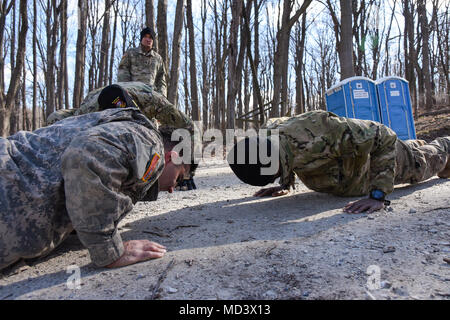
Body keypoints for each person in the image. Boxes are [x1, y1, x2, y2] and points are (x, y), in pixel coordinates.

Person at [0, 89, 191, 271]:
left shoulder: (113, 124)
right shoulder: (150, 142)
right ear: (171, 157)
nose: (173, 189)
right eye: (179, 177)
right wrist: (109, 249)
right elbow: (85, 152)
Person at [228, 110, 449, 214]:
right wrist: (285, 183)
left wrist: (378, 195)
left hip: (384, 166)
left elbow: (384, 136)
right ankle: (415, 145)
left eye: (277, 173)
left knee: (427, 162)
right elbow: (283, 150)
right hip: (355, 160)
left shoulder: (322, 129)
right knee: (413, 148)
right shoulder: (269, 135)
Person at [117, 27, 167, 96]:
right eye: (145, 37)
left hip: (151, 97)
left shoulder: (157, 59)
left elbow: (161, 80)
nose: (148, 40)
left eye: (150, 38)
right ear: (141, 39)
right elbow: (123, 74)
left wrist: (162, 96)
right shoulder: (130, 53)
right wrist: (126, 93)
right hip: (133, 94)